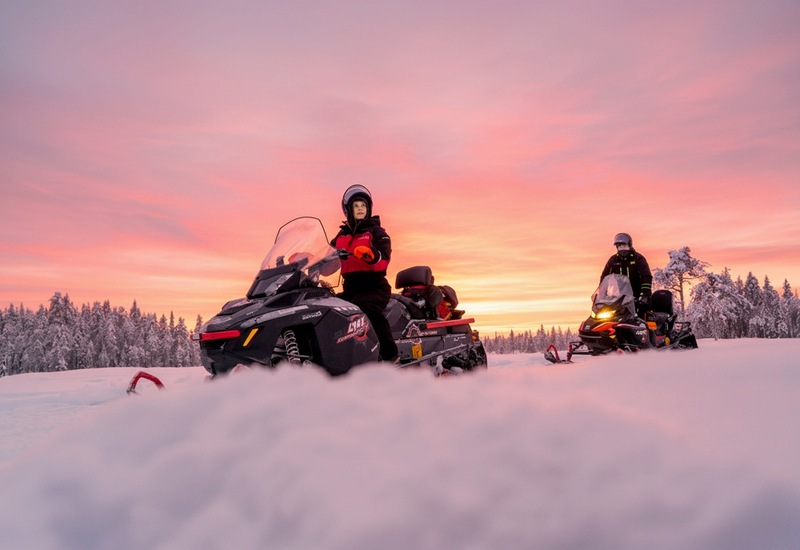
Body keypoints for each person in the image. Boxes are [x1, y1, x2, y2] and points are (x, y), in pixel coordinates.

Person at [331, 184, 399, 362]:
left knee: (366, 311)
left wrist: (371, 255)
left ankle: (391, 356)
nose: (360, 208)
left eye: (363, 205)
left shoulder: (377, 232)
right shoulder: (341, 236)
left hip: (374, 288)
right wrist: (307, 259)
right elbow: (327, 259)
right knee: (330, 310)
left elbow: (384, 259)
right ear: (348, 210)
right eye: (356, 206)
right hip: (351, 289)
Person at [600, 232, 653, 318]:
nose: (622, 248)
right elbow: (605, 276)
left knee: (640, 317)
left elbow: (646, 276)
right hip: (621, 297)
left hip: (638, 296)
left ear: (629, 245)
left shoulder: (638, 258)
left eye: (624, 246)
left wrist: (644, 294)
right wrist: (602, 293)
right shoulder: (614, 260)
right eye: (619, 246)